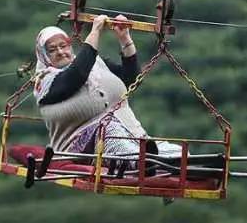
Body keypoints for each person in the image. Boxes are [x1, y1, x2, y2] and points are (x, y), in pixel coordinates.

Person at [33, 14, 179, 171]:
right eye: (52, 50)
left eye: (64, 45)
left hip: (131, 134)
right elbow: (75, 76)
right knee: (110, 130)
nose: (61, 52)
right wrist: (95, 31)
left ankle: (187, 164)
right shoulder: (44, 81)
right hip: (85, 144)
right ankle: (139, 162)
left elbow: (131, 79)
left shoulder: (96, 63)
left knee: (174, 152)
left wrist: (125, 39)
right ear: (43, 55)